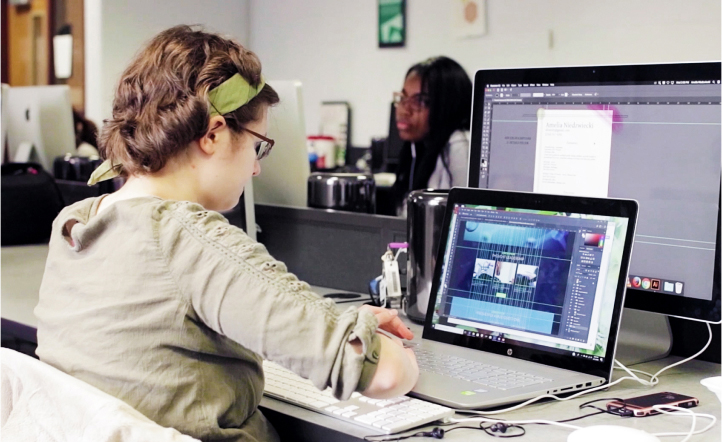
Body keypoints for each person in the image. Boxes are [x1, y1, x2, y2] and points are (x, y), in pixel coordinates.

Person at [34, 26, 418, 442]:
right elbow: (385, 375)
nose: (255, 168)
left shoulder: (76, 223)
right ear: (214, 134)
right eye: (258, 144)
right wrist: (380, 346)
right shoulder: (189, 239)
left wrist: (337, 323)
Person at [391, 56, 473, 215]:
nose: (404, 110)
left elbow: (467, 213)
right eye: (403, 98)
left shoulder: (459, 145)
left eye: (420, 101)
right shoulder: (417, 146)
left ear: (447, 105)